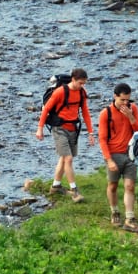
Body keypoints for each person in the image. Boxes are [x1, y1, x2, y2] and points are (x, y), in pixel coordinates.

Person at [36, 67, 95, 203]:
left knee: (64, 159)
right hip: (59, 128)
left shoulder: (81, 93)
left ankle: (56, 186)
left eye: (84, 83)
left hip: (73, 128)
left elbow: (85, 112)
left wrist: (91, 132)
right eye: (80, 83)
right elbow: (46, 110)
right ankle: (74, 191)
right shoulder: (60, 92)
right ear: (73, 79)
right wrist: (40, 129)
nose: (82, 86)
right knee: (68, 159)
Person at [98, 82, 138, 232]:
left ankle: (129, 217)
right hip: (114, 154)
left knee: (130, 186)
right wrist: (109, 159)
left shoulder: (133, 109)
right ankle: (114, 211)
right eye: (122, 100)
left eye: (127, 100)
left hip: (130, 154)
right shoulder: (106, 113)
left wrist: (131, 116)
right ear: (115, 97)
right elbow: (102, 139)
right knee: (113, 185)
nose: (125, 103)